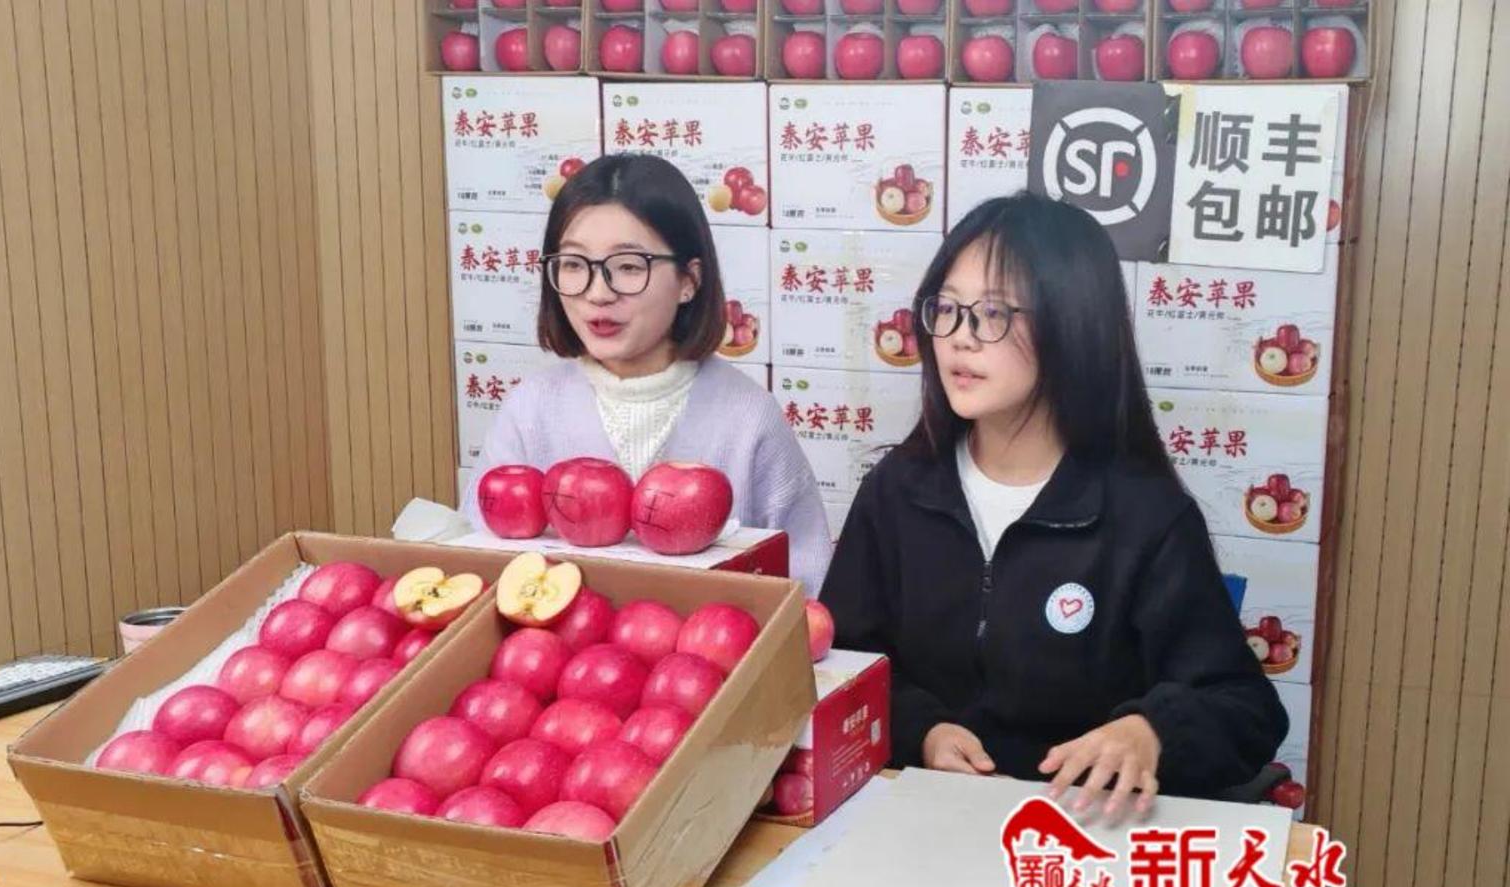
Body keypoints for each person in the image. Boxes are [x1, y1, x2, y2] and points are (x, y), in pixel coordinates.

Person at [820, 193, 1287, 820]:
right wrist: (923, 730)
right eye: (947, 309)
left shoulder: (1144, 516)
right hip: (923, 823)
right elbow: (845, 663)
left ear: (1072, 325)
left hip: (1079, 836)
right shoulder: (899, 490)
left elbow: (1245, 708)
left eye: (992, 313)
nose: (959, 339)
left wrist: (1150, 731)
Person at [465, 154, 832, 594]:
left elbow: (804, 589)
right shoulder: (530, 410)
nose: (597, 293)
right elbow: (478, 569)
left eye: (629, 266)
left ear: (688, 280)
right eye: (574, 264)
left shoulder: (749, 416)